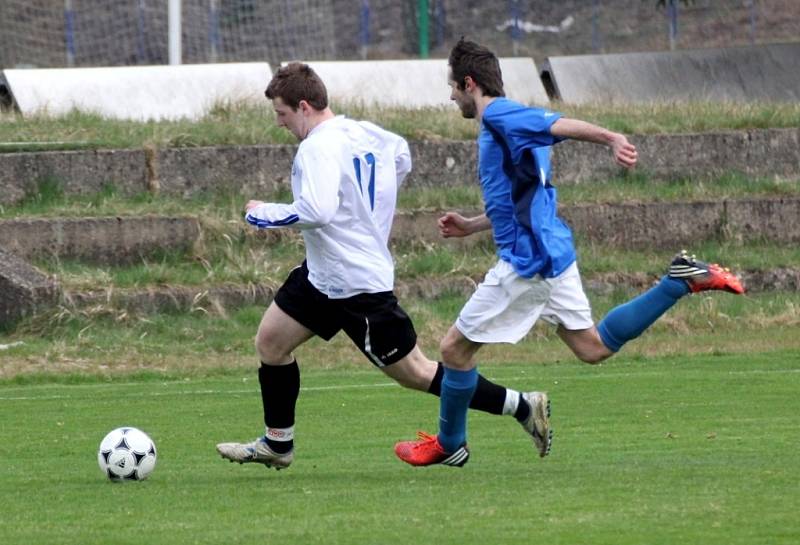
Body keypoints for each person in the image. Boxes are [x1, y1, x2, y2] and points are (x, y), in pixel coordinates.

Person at [394, 38, 744, 468]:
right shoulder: (510, 127)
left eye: (452, 86)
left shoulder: (500, 114)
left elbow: (560, 124)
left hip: (529, 261)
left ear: (470, 83)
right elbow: (517, 200)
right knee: (593, 347)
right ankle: (678, 281)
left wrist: (611, 137)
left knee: (453, 350)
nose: (450, 96)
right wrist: (472, 224)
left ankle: (451, 444)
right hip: (551, 250)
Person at [215, 62, 552, 470]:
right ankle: (277, 444)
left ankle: (521, 406)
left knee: (416, 372)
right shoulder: (367, 132)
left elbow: (317, 211)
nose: (280, 123)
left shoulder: (317, 146)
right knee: (271, 341)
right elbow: (400, 156)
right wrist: (370, 214)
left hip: (357, 285)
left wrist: (262, 213)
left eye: (281, 114)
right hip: (322, 275)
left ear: (303, 106)